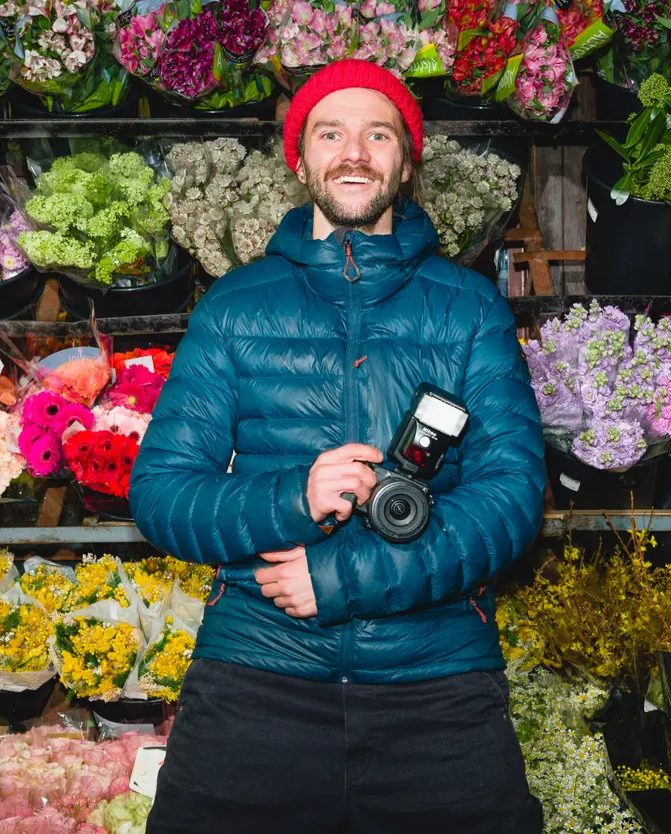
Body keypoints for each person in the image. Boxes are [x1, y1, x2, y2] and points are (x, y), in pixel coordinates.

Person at [130, 58, 547, 833]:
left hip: (435, 672)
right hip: (259, 663)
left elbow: (512, 497)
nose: (354, 152)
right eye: (331, 133)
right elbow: (161, 493)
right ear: (299, 159)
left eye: (377, 133)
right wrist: (291, 495)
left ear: (407, 161)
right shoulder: (234, 306)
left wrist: (346, 574)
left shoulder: (469, 308)